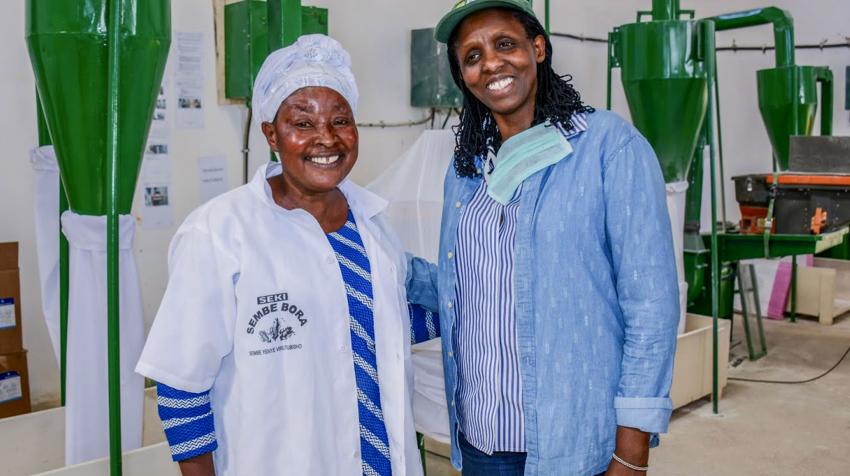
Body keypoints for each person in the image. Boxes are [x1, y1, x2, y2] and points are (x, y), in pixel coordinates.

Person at [136, 34, 438, 476]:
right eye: (303, 123)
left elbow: (377, 326)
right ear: (271, 133)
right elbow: (182, 388)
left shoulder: (374, 227)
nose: (326, 139)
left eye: (341, 121)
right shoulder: (221, 233)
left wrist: (476, 306)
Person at [405, 1, 680, 475]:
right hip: (480, 438)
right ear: (463, 76)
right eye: (471, 56)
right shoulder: (468, 170)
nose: (490, 63)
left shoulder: (606, 148)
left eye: (505, 44)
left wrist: (632, 452)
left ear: (538, 47)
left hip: (570, 444)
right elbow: (466, 287)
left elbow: (651, 306)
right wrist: (378, 257)